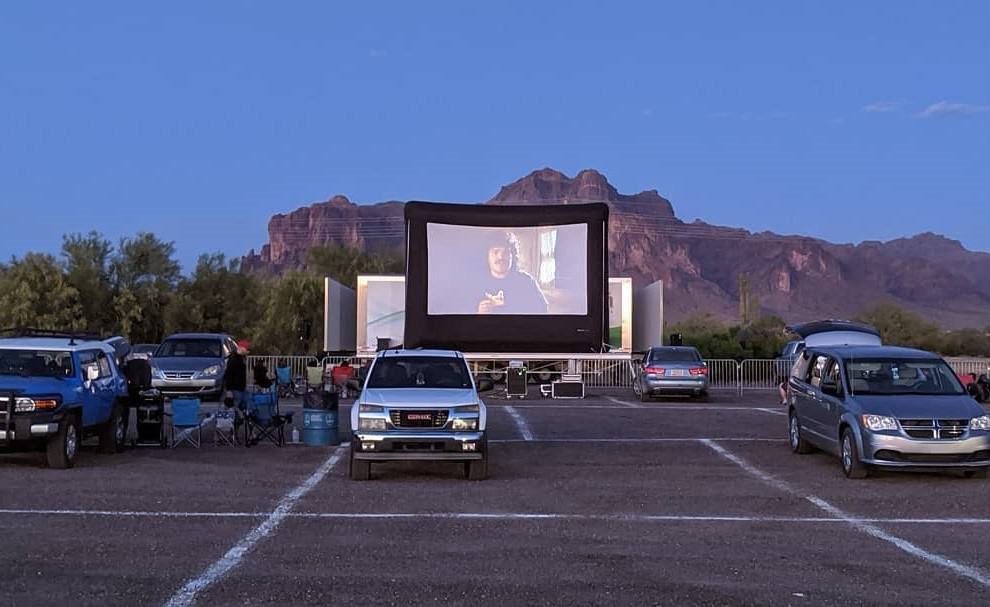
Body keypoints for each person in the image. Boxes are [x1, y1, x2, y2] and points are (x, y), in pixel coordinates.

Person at [474, 231, 549, 315]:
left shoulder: (526, 281)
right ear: (487, 256)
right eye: (496, 252)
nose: (501, 256)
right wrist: (479, 313)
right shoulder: (476, 283)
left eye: (506, 252)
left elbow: (542, 310)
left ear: (513, 256)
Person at [223, 340, 250, 411]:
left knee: (243, 404)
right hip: (235, 388)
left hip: (240, 387)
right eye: (247, 349)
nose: (247, 352)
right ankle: (235, 419)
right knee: (235, 407)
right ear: (242, 348)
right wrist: (228, 390)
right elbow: (228, 374)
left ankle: (240, 418)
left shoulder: (240, 358)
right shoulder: (233, 359)